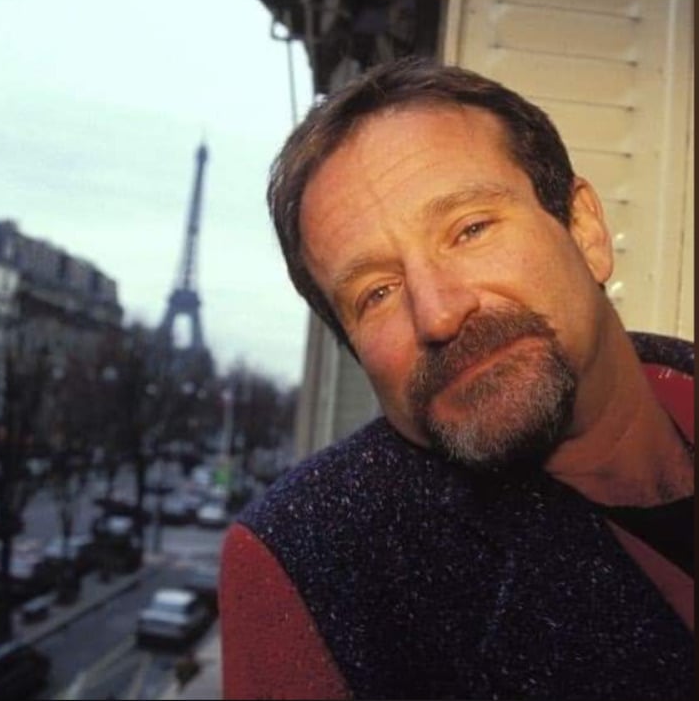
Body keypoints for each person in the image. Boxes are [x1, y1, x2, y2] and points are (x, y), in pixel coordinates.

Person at [219, 59, 693, 700]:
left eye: (471, 229)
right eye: (377, 292)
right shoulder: (315, 568)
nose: (439, 314)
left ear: (584, 231)